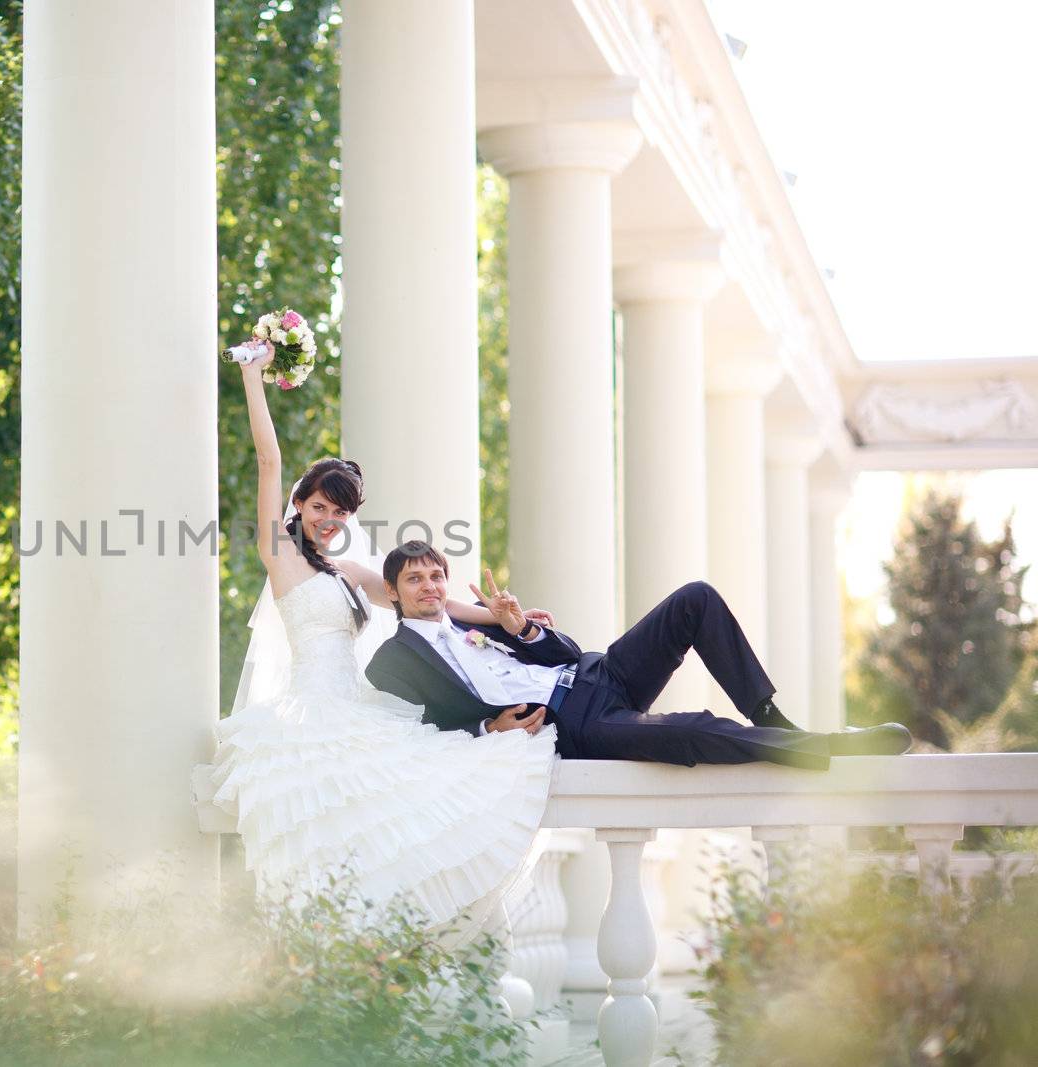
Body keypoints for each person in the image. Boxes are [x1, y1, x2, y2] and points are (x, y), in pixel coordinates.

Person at [208, 343, 558, 933]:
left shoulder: (343, 572)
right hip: (313, 714)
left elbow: (423, 598)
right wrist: (252, 376)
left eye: (341, 513)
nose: (330, 519)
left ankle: (386, 950)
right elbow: (269, 461)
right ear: (299, 503)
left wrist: (501, 620)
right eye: (320, 506)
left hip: (359, 709)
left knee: (414, 807)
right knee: (339, 823)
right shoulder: (282, 558)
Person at [365, 541, 913, 769]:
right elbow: (415, 736)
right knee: (694, 729)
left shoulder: (478, 618)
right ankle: (831, 751)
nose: (430, 587)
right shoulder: (391, 662)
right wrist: (489, 731)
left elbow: (567, 650)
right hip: (576, 723)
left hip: (597, 673)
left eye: (436, 576)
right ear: (393, 592)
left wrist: (522, 631)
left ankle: (768, 712)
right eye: (415, 580)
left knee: (694, 599)